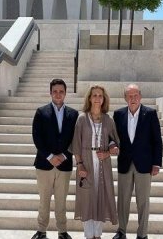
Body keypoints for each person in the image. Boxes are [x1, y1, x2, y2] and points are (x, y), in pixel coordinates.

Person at [112, 84, 163, 239]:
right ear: (125, 98)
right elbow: (112, 137)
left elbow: (157, 141)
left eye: (135, 95)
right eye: (129, 95)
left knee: (143, 202)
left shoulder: (150, 114)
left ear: (140, 96)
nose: (132, 98)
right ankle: (121, 231)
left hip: (145, 165)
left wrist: (156, 163)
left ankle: (142, 234)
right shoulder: (118, 114)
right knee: (123, 201)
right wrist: (112, 145)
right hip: (125, 163)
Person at [31, 78, 79, 239]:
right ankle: (41, 231)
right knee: (44, 200)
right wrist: (50, 156)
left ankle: (62, 232)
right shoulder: (41, 112)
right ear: (50, 93)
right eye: (55, 91)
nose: (58, 94)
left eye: (61, 91)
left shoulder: (73, 114)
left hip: (64, 165)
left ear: (65, 93)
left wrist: (64, 155)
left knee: (61, 201)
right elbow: (37, 137)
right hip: (44, 164)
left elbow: (75, 138)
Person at [72, 85, 120, 239]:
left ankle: (97, 235)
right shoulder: (81, 118)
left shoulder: (108, 119)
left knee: (101, 198)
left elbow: (115, 142)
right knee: (87, 198)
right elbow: (76, 145)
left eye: (100, 95)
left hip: (103, 164)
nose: (97, 98)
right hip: (86, 161)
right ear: (89, 98)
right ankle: (89, 235)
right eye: (94, 95)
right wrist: (79, 165)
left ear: (104, 99)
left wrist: (108, 152)